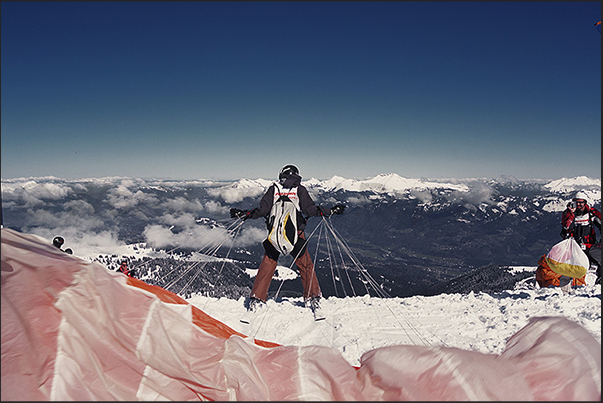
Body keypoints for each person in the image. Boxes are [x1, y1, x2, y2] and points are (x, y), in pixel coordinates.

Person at [230, 165, 345, 314]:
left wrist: (245, 214)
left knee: (268, 263)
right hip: (296, 234)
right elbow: (309, 210)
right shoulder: (299, 190)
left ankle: (257, 298)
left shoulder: (274, 189)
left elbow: (263, 210)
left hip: (275, 234)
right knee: (305, 264)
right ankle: (312, 297)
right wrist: (331, 211)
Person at [561, 191, 601, 285]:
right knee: (568, 268)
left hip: (590, 245)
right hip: (573, 247)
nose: (579, 205)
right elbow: (566, 227)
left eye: (581, 202)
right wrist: (571, 214)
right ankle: (564, 290)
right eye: (576, 202)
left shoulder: (591, 213)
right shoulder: (568, 214)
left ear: (585, 202)